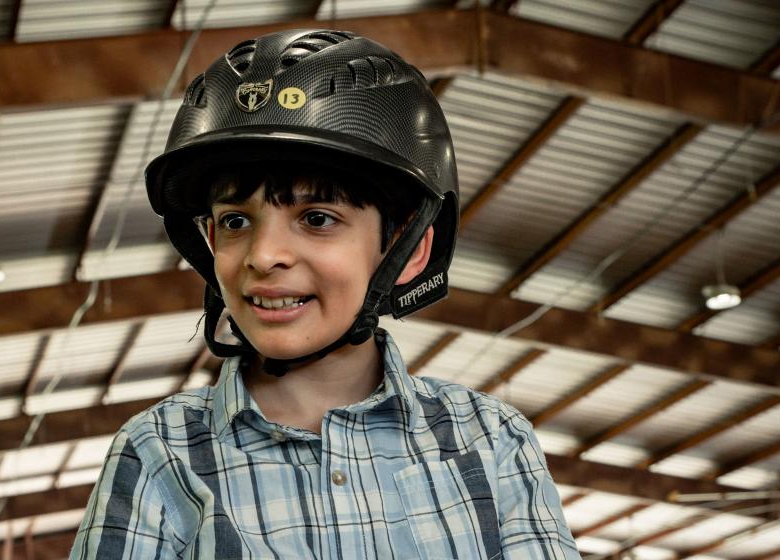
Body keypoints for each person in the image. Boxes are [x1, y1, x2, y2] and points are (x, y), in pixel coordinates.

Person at [71, 28, 579, 559]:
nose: (263, 256)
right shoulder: (159, 451)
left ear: (409, 249)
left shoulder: (489, 441)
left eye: (317, 218)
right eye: (236, 220)